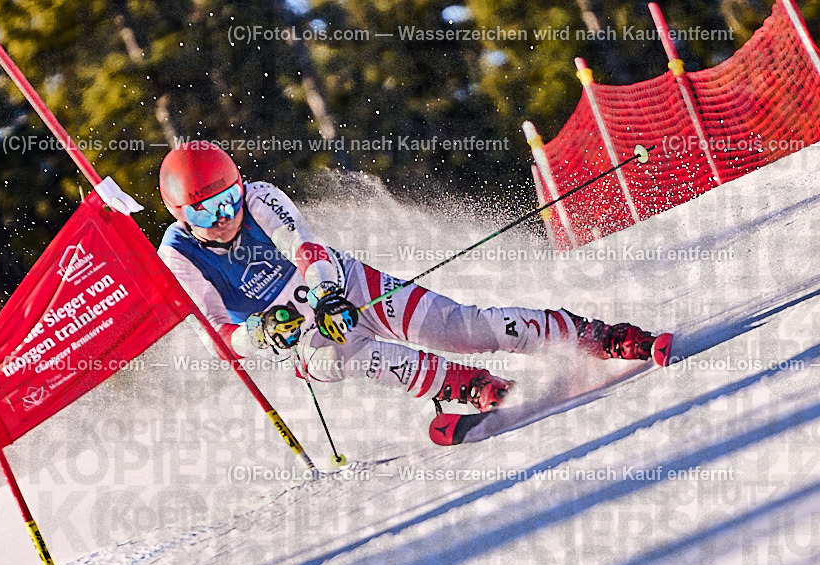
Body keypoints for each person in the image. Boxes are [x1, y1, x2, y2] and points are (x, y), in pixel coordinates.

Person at [157, 141, 671, 414]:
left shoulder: (262, 197)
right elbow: (219, 336)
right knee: (345, 355)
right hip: (297, 335)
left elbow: (305, 246)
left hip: (343, 287)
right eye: (205, 214)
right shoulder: (177, 255)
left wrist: (329, 292)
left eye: (228, 201)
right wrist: (262, 334)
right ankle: (468, 388)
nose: (224, 218)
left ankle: (598, 336)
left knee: (461, 327)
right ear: (180, 215)